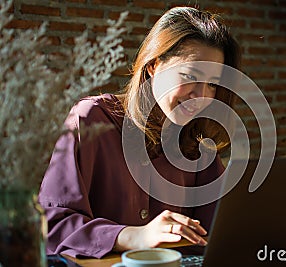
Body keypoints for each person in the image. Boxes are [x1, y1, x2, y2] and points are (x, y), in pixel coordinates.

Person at [38, 6, 241, 258]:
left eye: (212, 84)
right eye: (190, 76)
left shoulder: (199, 146)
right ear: (154, 65)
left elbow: (226, 228)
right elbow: (52, 226)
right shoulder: (90, 120)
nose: (201, 96)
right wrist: (135, 235)